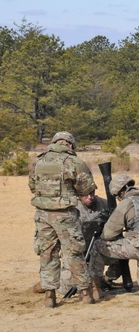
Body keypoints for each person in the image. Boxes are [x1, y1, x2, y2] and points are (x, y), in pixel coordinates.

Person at [28, 131, 98, 307]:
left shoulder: (38, 161)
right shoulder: (74, 162)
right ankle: (85, 294)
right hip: (65, 215)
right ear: (70, 145)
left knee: (47, 254)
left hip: (42, 214)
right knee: (74, 252)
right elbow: (86, 189)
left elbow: (32, 186)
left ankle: (50, 296)